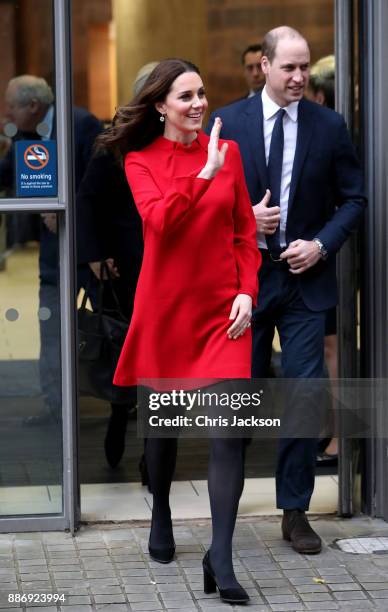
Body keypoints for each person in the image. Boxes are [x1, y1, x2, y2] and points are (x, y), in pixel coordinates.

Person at [98, 58, 263, 604]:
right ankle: (162, 511)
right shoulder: (139, 161)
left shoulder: (230, 153)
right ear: (161, 105)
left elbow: (243, 232)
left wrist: (246, 291)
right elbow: (161, 222)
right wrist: (205, 173)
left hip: (223, 313)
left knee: (227, 433)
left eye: (201, 93)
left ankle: (221, 555)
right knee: (163, 429)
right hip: (167, 312)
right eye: (185, 96)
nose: (198, 104)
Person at [208, 27, 366, 554]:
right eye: (289, 68)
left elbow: (354, 200)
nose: (299, 78)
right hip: (245, 282)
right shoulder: (228, 123)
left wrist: (321, 245)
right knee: (239, 395)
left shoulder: (329, 126)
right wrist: (244, 222)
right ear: (265, 67)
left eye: (304, 69)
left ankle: (294, 510)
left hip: (305, 283)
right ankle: (223, 510)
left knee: (304, 390)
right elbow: (203, 202)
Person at [0, 75, 102, 424]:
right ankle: (56, 405)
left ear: (32, 106)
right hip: (53, 254)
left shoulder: (80, 124)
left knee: (109, 320)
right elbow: (7, 172)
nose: (6, 113)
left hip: (92, 251)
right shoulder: (26, 134)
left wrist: (66, 210)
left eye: (11, 105)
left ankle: (121, 397)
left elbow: (98, 183)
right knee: (52, 322)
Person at [76, 63, 159, 469]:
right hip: (125, 268)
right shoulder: (116, 140)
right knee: (127, 349)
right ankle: (117, 416)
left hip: (168, 268)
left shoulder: (182, 138)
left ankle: (154, 451)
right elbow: (88, 199)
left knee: (160, 362)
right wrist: (94, 254)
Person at [308, 55, 338, 461]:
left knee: (332, 345)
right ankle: (328, 430)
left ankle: (336, 435)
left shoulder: (330, 129)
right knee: (329, 345)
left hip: (330, 248)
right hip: (322, 248)